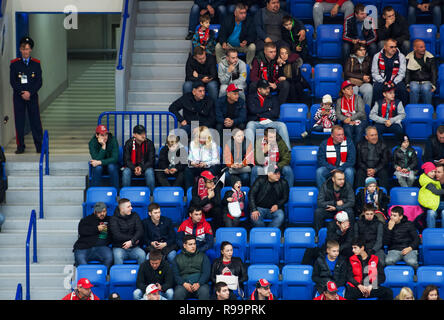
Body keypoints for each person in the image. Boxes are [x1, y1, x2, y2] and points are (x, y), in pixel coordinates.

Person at [10, 36, 43, 154]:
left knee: (35, 121)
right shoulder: (14, 64)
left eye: (27, 49)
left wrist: (30, 92)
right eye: (23, 49)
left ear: (31, 50)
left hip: (32, 96)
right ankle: (20, 147)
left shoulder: (36, 64)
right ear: (20, 50)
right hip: (19, 97)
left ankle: (39, 146)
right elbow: (13, 81)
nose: (25, 52)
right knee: (19, 121)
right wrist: (22, 93)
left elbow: (39, 81)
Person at [245, 79, 291, 149]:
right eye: (265, 88)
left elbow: (275, 113)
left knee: (282, 125)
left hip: (269, 122)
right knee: (249, 125)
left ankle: (287, 151)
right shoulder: (251, 97)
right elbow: (252, 110)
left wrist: (258, 114)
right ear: (259, 89)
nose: (268, 90)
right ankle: (250, 153)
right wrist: (267, 109)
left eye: (268, 88)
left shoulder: (273, 98)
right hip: (256, 122)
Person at [73, 202, 113, 270]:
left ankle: (100, 275)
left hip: (101, 247)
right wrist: (97, 229)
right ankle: (87, 278)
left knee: (109, 257)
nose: (102, 214)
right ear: (95, 211)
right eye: (99, 212)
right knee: (80, 258)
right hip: (84, 247)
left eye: (104, 211)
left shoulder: (110, 220)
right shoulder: (86, 220)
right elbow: (82, 231)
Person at [172, 234, 211, 300]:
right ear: (184, 245)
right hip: (184, 285)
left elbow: (206, 273)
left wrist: (199, 283)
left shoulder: (203, 256)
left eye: (194, 244)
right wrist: (184, 284)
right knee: (178, 293)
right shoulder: (177, 258)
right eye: (190, 244)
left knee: (204, 292)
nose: (193, 246)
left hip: (200, 284)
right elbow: (175, 275)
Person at [371, 38, 408, 106]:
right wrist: (383, 82)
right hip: (381, 81)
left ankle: (403, 110)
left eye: (395, 47)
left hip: (396, 81)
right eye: (391, 47)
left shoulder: (401, 56)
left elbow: (401, 73)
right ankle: (376, 110)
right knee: (376, 89)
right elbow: (374, 73)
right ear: (385, 47)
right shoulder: (377, 56)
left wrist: (394, 83)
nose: (394, 49)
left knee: (402, 89)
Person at [109, 198, 146, 265]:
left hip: (134, 247)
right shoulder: (113, 219)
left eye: (131, 206)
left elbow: (140, 230)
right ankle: (119, 275)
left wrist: (131, 242)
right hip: (119, 247)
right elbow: (117, 235)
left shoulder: (135, 215)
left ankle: (141, 275)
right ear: (122, 209)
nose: (131, 208)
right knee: (118, 256)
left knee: (142, 255)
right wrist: (134, 239)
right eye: (128, 207)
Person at [122, 124, 155, 194]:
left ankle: (152, 196)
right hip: (132, 167)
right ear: (134, 135)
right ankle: (125, 195)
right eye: (140, 134)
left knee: (150, 172)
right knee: (126, 172)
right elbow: (126, 160)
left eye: (144, 133)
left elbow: (151, 161)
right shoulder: (128, 143)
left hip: (145, 167)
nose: (143, 135)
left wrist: (141, 168)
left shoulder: (149, 143)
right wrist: (134, 168)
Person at [185, 126, 221, 191]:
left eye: (203, 138)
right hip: (197, 166)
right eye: (199, 137)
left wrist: (206, 163)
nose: (201, 140)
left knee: (210, 171)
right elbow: (190, 158)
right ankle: (190, 191)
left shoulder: (213, 144)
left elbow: (216, 160)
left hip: (208, 166)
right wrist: (192, 163)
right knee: (187, 170)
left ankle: (207, 190)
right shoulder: (192, 143)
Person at [355, 126, 391, 190]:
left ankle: (383, 195)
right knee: (359, 173)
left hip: (379, 168)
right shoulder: (360, 145)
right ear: (366, 137)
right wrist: (367, 169)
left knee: (384, 173)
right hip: (365, 168)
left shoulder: (383, 145)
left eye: (376, 135)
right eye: (372, 135)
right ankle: (359, 196)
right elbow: (359, 161)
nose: (374, 137)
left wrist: (375, 170)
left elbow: (385, 161)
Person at [405, 39, 438, 105]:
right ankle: (414, 110)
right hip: (414, 81)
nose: (424, 49)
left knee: (426, 89)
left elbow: (434, 72)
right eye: (421, 47)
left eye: (424, 47)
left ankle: (427, 109)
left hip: (427, 81)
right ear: (415, 48)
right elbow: (407, 73)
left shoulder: (430, 57)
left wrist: (433, 85)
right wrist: (407, 85)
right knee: (414, 88)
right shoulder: (408, 58)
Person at [335, 81, 368, 146]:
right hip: (347, 121)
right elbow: (338, 114)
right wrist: (346, 119)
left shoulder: (358, 98)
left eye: (352, 88)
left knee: (359, 129)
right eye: (348, 89)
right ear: (343, 91)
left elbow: (361, 112)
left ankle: (356, 149)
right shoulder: (339, 101)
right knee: (347, 130)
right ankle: (351, 149)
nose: (351, 90)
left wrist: (350, 118)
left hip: (360, 120)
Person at [88, 124, 120, 191]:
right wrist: (103, 146)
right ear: (97, 135)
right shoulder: (92, 143)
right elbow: (96, 158)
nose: (105, 137)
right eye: (102, 135)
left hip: (111, 164)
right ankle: (94, 192)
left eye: (106, 135)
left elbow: (115, 158)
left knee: (111, 166)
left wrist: (100, 162)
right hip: (100, 166)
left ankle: (116, 193)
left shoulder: (113, 140)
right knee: (98, 168)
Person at [343, 43, 373, 108]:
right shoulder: (351, 60)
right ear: (356, 51)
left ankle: (366, 109)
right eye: (360, 50)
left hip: (364, 83)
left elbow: (372, 72)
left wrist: (369, 77)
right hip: (353, 83)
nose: (363, 52)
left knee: (369, 88)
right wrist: (362, 77)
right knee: (353, 89)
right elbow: (347, 72)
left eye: (364, 50)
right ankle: (354, 110)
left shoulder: (368, 59)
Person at [418, 162, 444, 228]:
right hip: (431, 205)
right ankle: (430, 233)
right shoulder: (429, 182)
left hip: (437, 205)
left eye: (438, 172)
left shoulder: (434, 181)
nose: (435, 174)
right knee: (431, 213)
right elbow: (436, 191)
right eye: (434, 172)